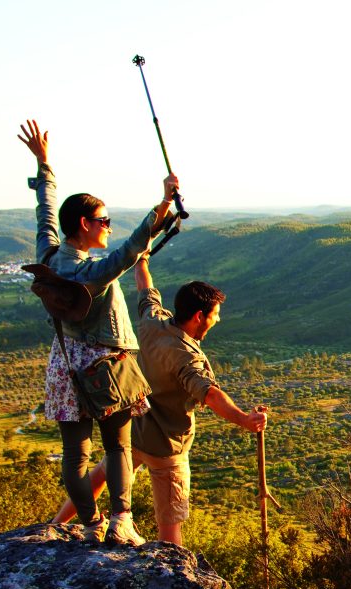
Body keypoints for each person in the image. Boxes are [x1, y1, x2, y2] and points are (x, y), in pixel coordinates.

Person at [19, 119, 177, 545]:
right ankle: (120, 521)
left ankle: (89, 526)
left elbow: (46, 212)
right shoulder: (90, 272)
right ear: (85, 225)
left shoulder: (49, 255)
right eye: (103, 219)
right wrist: (162, 206)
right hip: (107, 367)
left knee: (75, 454)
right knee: (118, 447)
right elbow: (128, 253)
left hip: (66, 364)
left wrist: (44, 165)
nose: (107, 225)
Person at [53, 255, 267, 546]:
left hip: (134, 432)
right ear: (198, 317)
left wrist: (142, 261)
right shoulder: (187, 357)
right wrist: (244, 419)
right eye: (215, 314)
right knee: (170, 527)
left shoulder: (153, 323)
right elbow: (210, 394)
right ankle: (174, 578)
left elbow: (145, 291)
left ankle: (55, 527)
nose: (218, 319)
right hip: (168, 448)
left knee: (100, 476)